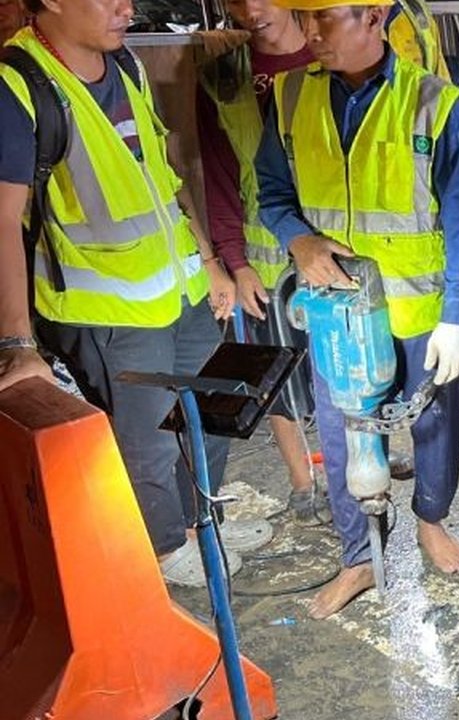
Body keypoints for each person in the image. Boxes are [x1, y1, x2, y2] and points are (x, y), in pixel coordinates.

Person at [0, 0, 271, 587]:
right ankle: (165, 550)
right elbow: (3, 220)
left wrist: (209, 262)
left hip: (182, 291)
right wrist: (18, 344)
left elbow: (164, 174)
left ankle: (202, 525)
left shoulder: (124, 64)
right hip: (111, 311)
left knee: (210, 413)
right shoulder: (17, 87)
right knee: (146, 444)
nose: (127, 8)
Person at [255, 0, 459, 618]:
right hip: (338, 318)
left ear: (374, 17)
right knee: (344, 436)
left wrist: (457, 317)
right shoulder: (290, 98)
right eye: (302, 20)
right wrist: (299, 242)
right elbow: (272, 194)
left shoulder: (435, 103)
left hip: (417, 315)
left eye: (322, 19)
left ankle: (430, 519)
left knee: (432, 427)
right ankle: (360, 558)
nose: (309, 34)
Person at [195, 0, 329, 524]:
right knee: (273, 375)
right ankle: (304, 483)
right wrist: (235, 261)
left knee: (348, 367)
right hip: (265, 260)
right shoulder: (224, 79)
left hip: (333, 249)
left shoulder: (330, 53)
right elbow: (219, 175)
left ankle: (363, 459)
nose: (251, 8)